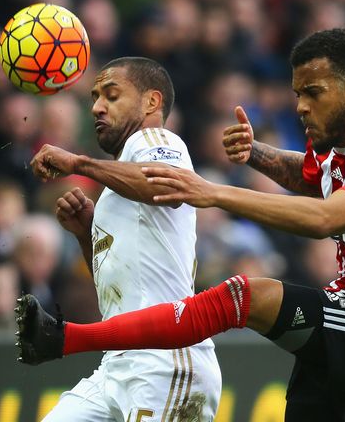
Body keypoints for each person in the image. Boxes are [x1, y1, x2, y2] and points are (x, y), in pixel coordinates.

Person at [17, 29, 345, 421]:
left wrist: (214, 192)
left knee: (246, 295)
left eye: (313, 93)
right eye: (297, 92)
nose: (300, 106)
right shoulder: (341, 145)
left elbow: (325, 217)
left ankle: (68, 338)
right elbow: (312, 177)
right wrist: (257, 154)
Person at [22, 57, 222, 422]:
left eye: (112, 95)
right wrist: (87, 234)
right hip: (117, 364)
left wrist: (78, 164)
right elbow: (118, 287)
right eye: (95, 97)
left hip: (165, 359)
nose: (97, 106)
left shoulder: (157, 139)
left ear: (151, 102)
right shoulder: (117, 185)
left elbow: (169, 187)